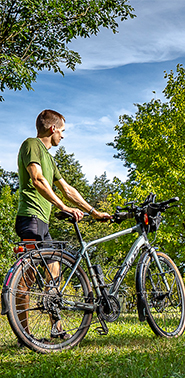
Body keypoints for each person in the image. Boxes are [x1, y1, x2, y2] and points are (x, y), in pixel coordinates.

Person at [15, 109, 111, 341]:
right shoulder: (31, 145)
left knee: (55, 270)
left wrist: (93, 211)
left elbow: (68, 189)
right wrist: (63, 208)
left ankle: (56, 327)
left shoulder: (49, 157)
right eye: (63, 131)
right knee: (26, 278)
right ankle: (24, 335)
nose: (63, 136)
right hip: (30, 219)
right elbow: (37, 179)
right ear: (52, 128)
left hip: (43, 223)